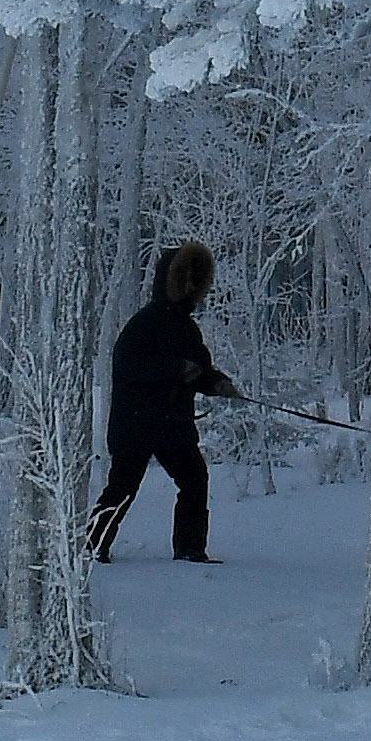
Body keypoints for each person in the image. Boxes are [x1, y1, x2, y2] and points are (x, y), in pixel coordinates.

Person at [89, 240, 233, 563]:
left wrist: (218, 383)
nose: (192, 290)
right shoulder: (141, 326)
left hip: (173, 425)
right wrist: (175, 369)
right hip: (136, 423)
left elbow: (199, 370)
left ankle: (190, 550)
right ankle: (92, 548)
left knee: (195, 480)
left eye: (196, 283)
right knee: (122, 489)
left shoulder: (188, 330)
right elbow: (129, 367)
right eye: (186, 281)